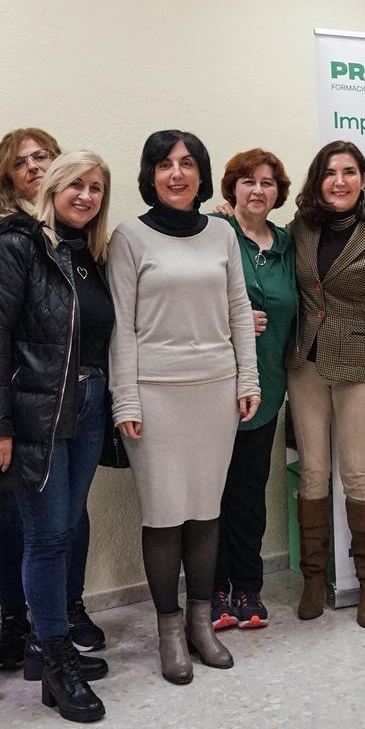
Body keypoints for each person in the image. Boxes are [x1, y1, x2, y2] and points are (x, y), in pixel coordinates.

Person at [0, 150, 116, 723]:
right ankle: (54, 657)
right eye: (75, 184)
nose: (85, 195)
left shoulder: (94, 257)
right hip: (34, 414)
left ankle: (47, 647)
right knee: (47, 536)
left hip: (89, 404)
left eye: (97, 188)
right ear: (51, 188)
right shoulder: (17, 244)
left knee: (69, 523)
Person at [108, 131, 259, 681]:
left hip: (216, 391)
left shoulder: (221, 232)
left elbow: (239, 308)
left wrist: (250, 378)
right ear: (150, 174)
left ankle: (201, 624)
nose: (177, 174)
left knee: (205, 512)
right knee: (164, 515)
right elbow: (121, 326)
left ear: (201, 173)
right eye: (166, 165)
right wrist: (125, 396)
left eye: (188, 164)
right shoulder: (130, 236)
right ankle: (169, 631)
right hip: (153, 396)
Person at [286, 140, 365, 628]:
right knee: (313, 471)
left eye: (350, 172)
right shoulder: (299, 230)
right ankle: (314, 578)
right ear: (318, 181)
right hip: (304, 363)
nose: (340, 181)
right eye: (330, 172)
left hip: (361, 363)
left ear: (363, 180)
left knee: (356, 473)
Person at [207, 149, 298, 632]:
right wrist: (230, 320)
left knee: (248, 495)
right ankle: (214, 591)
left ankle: (249, 589)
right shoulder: (213, 234)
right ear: (232, 189)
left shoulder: (288, 245)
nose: (257, 190)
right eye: (246, 181)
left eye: (266, 182)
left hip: (267, 391)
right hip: (213, 390)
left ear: (278, 192)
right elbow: (192, 301)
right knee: (211, 494)